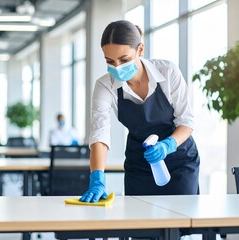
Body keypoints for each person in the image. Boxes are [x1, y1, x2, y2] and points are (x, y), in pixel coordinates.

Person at [80, 20, 200, 203]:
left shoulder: (167, 72)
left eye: (124, 59)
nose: (117, 67)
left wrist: (167, 145)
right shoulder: (105, 86)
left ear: (140, 49)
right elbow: (100, 134)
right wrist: (97, 177)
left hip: (179, 160)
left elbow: (186, 122)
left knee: (181, 221)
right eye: (110, 61)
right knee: (140, 225)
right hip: (140, 163)